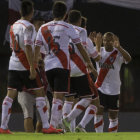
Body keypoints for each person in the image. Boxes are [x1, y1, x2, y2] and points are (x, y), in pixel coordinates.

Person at [0, 0, 60, 134]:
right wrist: (32, 68)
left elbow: (13, 47)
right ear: (31, 12)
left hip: (13, 64)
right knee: (40, 93)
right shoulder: (29, 26)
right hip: (25, 65)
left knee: (10, 96)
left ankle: (3, 127)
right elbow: (27, 46)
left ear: (21, 11)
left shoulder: (14, 25)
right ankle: (46, 126)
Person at [34, 1, 95, 129]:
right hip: (62, 66)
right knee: (59, 98)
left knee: (59, 97)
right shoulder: (68, 27)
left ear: (52, 12)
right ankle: (54, 126)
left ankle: (55, 126)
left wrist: (37, 62)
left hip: (48, 67)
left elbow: (38, 48)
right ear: (65, 14)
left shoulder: (42, 28)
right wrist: (88, 62)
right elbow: (80, 46)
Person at [62, 10, 100, 132]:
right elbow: (96, 56)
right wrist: (97, 45)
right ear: (80, 22)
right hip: (80, 70)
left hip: (64, 69)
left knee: (68, 100)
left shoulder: (62, 31)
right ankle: (73, 123)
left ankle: (69, 129)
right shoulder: (83, 33)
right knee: (92, 99)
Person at [93, 32, 131, 132]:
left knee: (113, 114)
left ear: (113, 41)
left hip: (114, 88)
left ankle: (112, 137)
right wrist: (97, 45)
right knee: (98, 110)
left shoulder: (117, 52)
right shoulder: (98, 50)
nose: (107, 42)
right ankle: (99, 137)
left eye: (110, 40)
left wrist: (119, 47)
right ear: (103, 41)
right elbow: (96, 58)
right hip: (100, 86)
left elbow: (128, 59)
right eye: (105, 40)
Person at [17, 17, 49, 133]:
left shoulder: (45, 44)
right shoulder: (26, 43)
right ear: (33, 26)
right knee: (28, 115)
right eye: (39, 24)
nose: (42, 27)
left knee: (44, 118)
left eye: (43, 24)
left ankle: (37, 136)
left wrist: (43, 63)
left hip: (41, 89)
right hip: (26, 89)